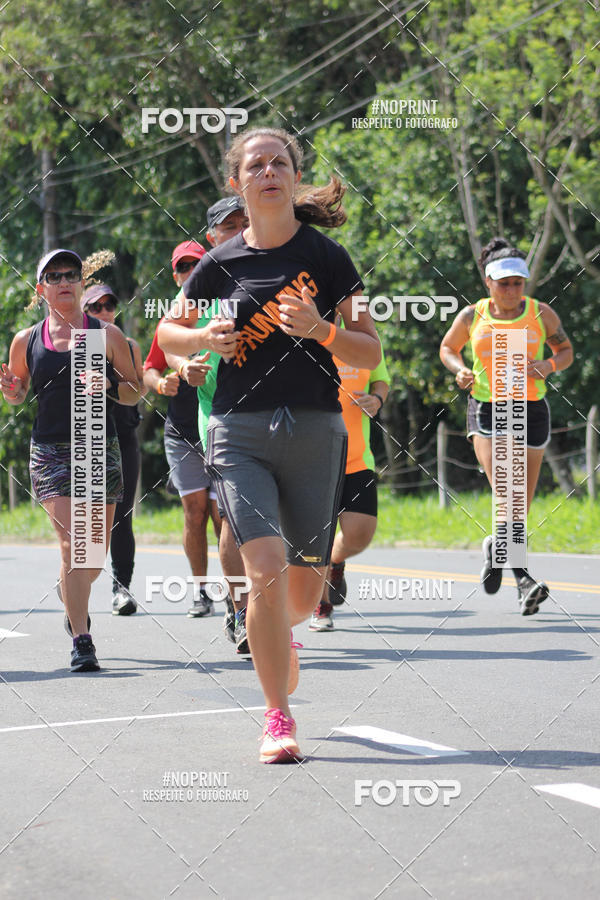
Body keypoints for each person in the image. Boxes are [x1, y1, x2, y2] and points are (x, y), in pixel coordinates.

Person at [158, 126, 380, 763]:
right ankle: (277, 716)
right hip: (239, 431)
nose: (268, 172)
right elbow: (168, 333)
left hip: (316, 429)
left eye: (279, 163)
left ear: (293, 175)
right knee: (262, 571)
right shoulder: (218, 264)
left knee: (302, 596)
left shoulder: (329, 258)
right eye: (255, 165)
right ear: (238, 182)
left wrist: (323, 331)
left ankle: (279, 641)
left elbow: (370, 349)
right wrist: (204, 340)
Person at [1, 249, 140, 671]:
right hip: (51, 450)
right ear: (41, 288)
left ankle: (71, 592)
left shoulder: (105, 334)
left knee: (92, 556)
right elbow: (19, 391)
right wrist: (12, 390)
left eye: (71, 274)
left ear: (81, 283)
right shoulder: (27, 339)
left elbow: (135, 390)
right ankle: (82, 639)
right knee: (71, 544)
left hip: (97, 445)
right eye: (54, 276)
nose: (64, 281)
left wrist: (110, 386)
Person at [440, 237, 573, 613]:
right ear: (488, 282)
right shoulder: (472, 316)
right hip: (488, 409)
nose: (512, 290)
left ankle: (497, 550)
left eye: (518, 283)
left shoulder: (541, 313)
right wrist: (460, 370)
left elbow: (565, 351)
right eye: (504, 283)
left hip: (532, 411)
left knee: (519, 505)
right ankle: (524, 579)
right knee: (510, 493)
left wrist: (548, 365)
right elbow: (447, 348)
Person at [143, 241, 216, 617]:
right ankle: (201, 590)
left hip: (221, 426)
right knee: (195, 512)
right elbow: (149, 368)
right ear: (175, 276)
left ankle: (239, 596)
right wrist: (160, 384)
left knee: (224, 515)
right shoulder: (171, 321)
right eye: (183, 267)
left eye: (196, 265)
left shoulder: (227, 307)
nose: (190, 272)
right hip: (183, 430)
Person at [310, 333, 390, 630]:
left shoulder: (363, 338)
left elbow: (381, 379)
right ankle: (321, 605)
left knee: (360, 534)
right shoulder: (304, 336)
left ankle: (336, 560)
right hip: (313, 457)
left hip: (357, 456)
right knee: (318, 536)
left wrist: (377, 399)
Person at [82, 283, 146, 615]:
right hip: (86, 441)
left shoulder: (129, 345)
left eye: (109, 305)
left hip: (124, 436)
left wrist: (112, 384)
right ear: (84, 311)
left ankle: (121, 588)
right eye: (96, 307)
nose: (105, 311)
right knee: (88, 519)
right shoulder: (74, 345)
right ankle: (77, 589)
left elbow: (140, 387)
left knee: (122, 516)